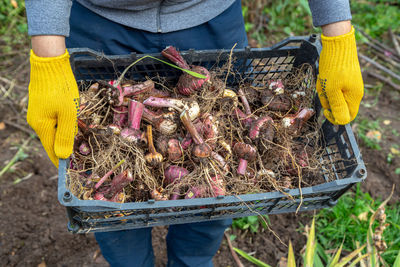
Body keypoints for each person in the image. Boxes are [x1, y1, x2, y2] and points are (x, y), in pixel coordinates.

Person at [24, 1, 364, 266]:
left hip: (212, 18)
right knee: (109, 205)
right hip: (101, 22)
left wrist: (337, 31)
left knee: (221, 194)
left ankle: (193, 261)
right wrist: (48, 57)